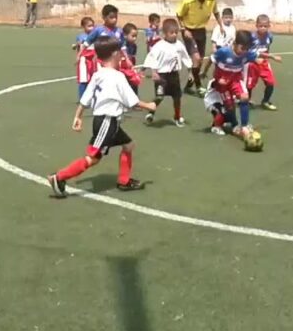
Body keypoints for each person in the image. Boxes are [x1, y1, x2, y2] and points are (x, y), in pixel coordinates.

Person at [48, 36, 156, 198]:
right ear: (114, 54)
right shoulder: (117, 76)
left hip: (108, 121)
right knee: (93, 158)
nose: (122, 55)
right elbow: (132, 101)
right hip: (107, 122)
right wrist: (149, 106)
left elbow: (85, 99)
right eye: (120, 51)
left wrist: (77, 117)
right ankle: (59, 177)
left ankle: (124, 181)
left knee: (128, 145)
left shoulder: (98, 75)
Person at [176, 0, 223, 95]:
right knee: (196, 58)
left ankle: (188, 86)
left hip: (201, 30)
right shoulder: (188, 1)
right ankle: (198, 86)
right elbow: (179, 15)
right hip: (189, 31)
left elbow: (216, 12)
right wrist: (183, 29)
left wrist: (221, 25)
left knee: (200, 61)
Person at [142, 18, 192, 127]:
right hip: (162, 76)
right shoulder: (159, 46)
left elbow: (186, 58)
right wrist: (154, 72)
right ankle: (151, 112)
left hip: (174, 75)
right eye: (171, 33)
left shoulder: (179, 45)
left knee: (177, 97)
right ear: (165, 33)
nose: (174, 35)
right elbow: (152, 58)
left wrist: (190, 72)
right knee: (160, 96)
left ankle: (177, 116)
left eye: (176, 33)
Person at [209, 30, 260, 136]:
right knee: (229, 106)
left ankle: (244, 126)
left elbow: (257, 54)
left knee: (244, 97)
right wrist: (203, 72)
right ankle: (233, 124)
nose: (244, 51)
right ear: (235, 44)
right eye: (242, 48)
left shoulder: (247, 54)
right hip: (223, 84)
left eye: (247, 49)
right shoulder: (224, 52)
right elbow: (211, 59)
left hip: (236, 80)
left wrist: (271, 57)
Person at [247, 14, 283, 111]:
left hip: (264, 63)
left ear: (269, 26)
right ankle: (247, 100)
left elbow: (267, 49)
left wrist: (266, 58)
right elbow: (249, 51)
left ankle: (265, 101)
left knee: (270, 83)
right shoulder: (252, 37)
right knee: (249, 84)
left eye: (265, 26)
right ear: (256, 25)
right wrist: (272, 57)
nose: (263, 28)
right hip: (253, 63)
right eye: (260, 26)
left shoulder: (269, 37)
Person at [201, 7, 237, 81]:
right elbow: (214, 39)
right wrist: (214, 48)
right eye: (226, 17)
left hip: (228, 50)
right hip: (219, 48)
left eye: (230, 18)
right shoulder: (219, 27)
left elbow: (233, 40)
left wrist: (233, 49)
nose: (228, 19)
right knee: (212, 61)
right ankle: (205, 72)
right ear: (222, 18)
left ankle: (222, 78)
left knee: (223, 66)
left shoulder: (233, 28)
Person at [73, 17, 96, 99]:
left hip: (93, 59)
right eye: (89, 26)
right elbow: (79, 46)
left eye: (93, 26)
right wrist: (76, 48)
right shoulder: (81, 37)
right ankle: (82, 98)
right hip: (84, 60)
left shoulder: (95, 36)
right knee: (83, 79)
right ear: (83, 27)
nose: (92, 28)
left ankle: (92, 97)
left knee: (93, 78)